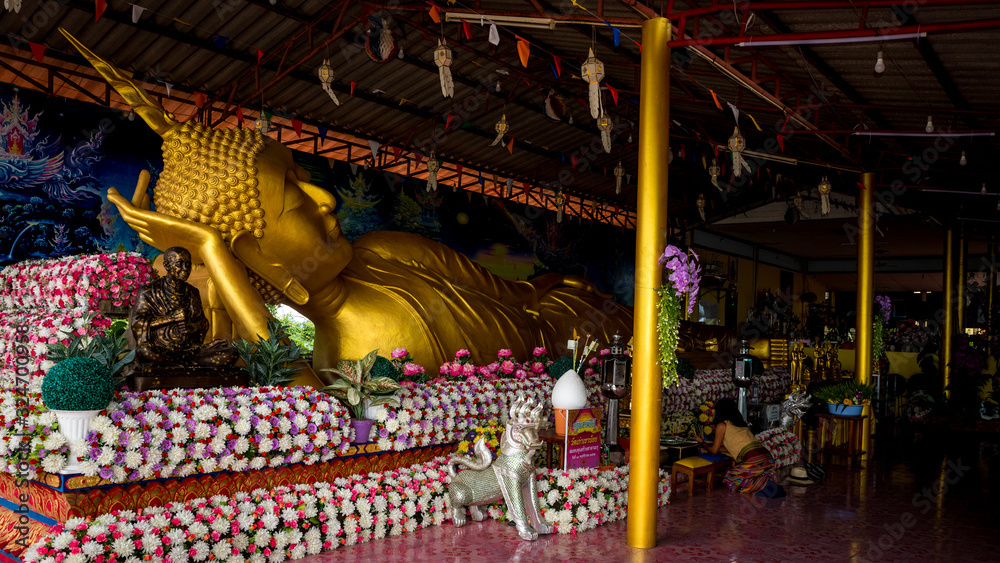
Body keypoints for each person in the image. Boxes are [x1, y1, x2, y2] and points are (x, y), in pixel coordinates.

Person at [64, 30, 632, 386]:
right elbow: (284, 374)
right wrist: (210, 248)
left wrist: (586, 312)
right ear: (255, 256)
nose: (324, 197)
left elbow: (523, 297)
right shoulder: (345, 361)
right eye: (294, 194)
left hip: (574, 329)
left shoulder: (384, 249)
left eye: (303, 177)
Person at [129, 247, 238, 368]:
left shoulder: (192, 292)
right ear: (166, 265)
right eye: (179, 264)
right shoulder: (148, 291)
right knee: (144, 351)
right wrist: (171, 318)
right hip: (161, 349)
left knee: (231, 353)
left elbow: (202, 322)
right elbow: (138, 324)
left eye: (188, 264)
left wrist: (193, 327)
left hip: (189, 350)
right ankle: (186, 365)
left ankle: (178, 365)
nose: (185, 269)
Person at [694, 397, 783, 497]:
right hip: (767, 458)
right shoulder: (741, 423)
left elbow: (714, 451)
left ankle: (763, 487)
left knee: (731, 479)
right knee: (751, 475)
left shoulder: (722, 425)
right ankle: (765, 483)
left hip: (754, 459)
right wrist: (708, 447)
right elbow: (730, 447)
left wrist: (702, 443)